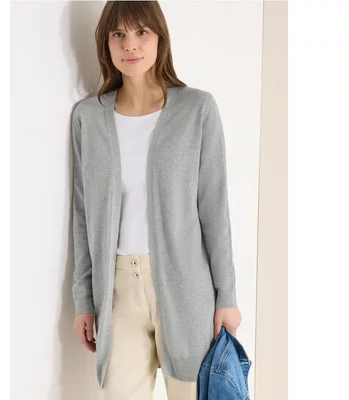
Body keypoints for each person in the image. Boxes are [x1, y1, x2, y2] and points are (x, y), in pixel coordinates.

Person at [72, 1, 242, 399]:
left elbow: (214, 209)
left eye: (141, 32)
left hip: (187, 287)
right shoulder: (89, 117)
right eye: (118, 34)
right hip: (116, 292)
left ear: (160, 38)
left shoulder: (197, 109)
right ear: (106, 43)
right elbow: (82, 215)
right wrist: (84, 300)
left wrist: (227, 296)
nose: (130, 45)